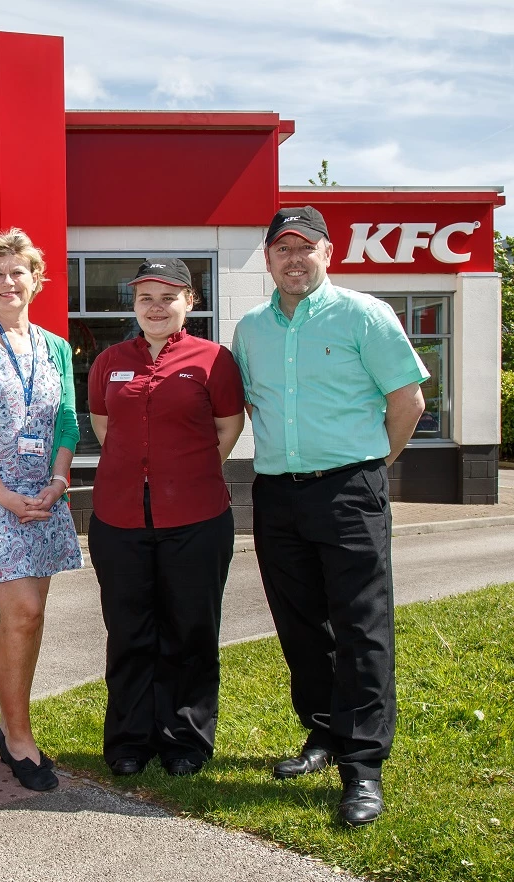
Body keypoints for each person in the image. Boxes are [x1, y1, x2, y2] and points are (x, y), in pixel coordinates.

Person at [231, 206, 428, 827]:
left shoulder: (365, 315)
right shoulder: (250, 330)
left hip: (348, 487)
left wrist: (372, 467)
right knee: (299, 622)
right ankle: (322, 735)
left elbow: (408, 400)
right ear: (267, 259)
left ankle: (363, 766)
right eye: (283, 249)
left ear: (327, 252)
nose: (295, 259)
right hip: (277, 493)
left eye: (306, 247)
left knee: (361, 625)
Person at [87, 258, 245, 779]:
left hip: (196, 517)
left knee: (190, 631)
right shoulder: (110, 360)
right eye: (145, 298)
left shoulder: (214, 360)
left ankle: (186, 741)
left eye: (167, 297)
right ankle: (130, 739)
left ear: (189, 303)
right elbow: (103, 425)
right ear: (133, 305)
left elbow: (227, 427)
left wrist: (183, 472)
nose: (156, 308)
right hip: (118, 518)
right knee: (129, 632)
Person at [0, 228, 83, 791]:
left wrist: (57, 480)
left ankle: (9, 722)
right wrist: (0, 489)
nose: (7, 281)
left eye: (17, 271)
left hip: (44, 493)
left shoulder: (55, 347)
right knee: (22, 610)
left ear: (36, 280)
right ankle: (19, 738)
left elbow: (68, 422)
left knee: (29, 616)